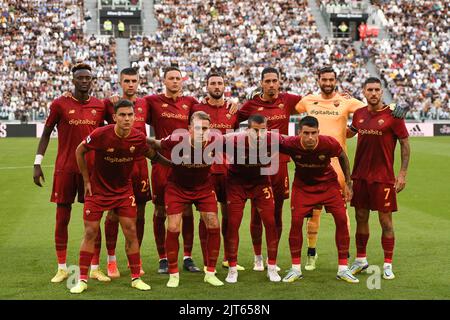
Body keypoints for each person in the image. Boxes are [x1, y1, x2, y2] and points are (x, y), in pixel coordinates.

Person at [295, 66, 408, 271]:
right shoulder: (307, 100)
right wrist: (256, 94)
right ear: (318, 80)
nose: (328, 83)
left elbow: (375, 106)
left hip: (340, 166)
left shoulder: (348, 101)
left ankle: (345, 256)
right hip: (314, 165)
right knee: (314, 213)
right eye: (324, 79)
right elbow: (284, 105)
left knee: (343, 211)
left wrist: (398, 106)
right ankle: (312, 253)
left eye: (331, 79)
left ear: (336, 80)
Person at [69, 99, 170, 294]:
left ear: (135, 117)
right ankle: (81, 279)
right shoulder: (100, 134)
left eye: (130, 115)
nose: (126, 118)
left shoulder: (138, 138)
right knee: (90, 232)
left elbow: (153, 156)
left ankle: (135, 278)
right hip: (97, 191)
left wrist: (173, 165)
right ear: (114, 117)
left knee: (131, 231)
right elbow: (79, 151)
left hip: (123, 191)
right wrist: (86, 180)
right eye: (122, 115)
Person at [33, 63, 109, 283]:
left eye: (88, 78)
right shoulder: (60, 104)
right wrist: (37, 162)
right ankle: (62, 267)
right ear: (73, 80)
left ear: (92, 80)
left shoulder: (100, 105)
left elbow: (112, 130)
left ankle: (95, 267)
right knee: (62, 218)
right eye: (80, 78)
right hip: (65, 168)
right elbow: (46, 133)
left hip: (92, 171)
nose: (84, 81)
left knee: (94, 220)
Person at [148, 111, 224, 288]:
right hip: (177, 188)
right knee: (173, 226)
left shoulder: (216, 141)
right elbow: (154, 144)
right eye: (197, 128)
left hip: (203, 188)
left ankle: (210, 272)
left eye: (205, 128)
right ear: (189, 128)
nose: (201, 132)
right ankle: (173, 274)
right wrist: (137, 139)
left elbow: (239, 140)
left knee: (213, 224)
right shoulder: (175, 141)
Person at [279, 116, 358, 284]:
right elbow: (269, 141)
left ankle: (343, 269)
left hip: (328, 185)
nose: (310, 138)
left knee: (342, 219)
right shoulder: (290, 144)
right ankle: (295, 268)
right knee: (296, 222)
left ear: (318, 132)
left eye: (313, 133)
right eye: (306, 133)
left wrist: (349, 183)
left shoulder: (328, 143)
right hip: (303, 187)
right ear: (299, 132)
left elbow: (343, 157)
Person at [238, 67, 302, 272]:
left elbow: (315, 102)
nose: (272, 84)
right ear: (261, 83)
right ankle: (257, 257)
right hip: (257, 166)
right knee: (257, 213)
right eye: (268, 81)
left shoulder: (288, 100)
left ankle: (271, 257)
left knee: (277, 213)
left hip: (280, 164)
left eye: (275, 80)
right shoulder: (251, 105)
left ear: (280, 82)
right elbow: (231, 120)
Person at [347, 77, 410, 280]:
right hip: (360, 176)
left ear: (381, 92)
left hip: (383, 178)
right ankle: (361, 260)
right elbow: (348, 133)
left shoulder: (394, 115)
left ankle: (388, 264)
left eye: (376, 90)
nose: (373, 93)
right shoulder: (358, 114)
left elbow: (405, 145)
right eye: (369, 90)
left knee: (386, 222)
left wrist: (402, 173)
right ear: (363, 92)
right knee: (360, 218)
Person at [144, 67, 200, 274]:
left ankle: (187, 256)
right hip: (161, 164)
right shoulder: (152, 101)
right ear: (164, 80)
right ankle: (163, 258)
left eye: (178, 78)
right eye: (171, 78)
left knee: (186, 210)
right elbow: (135, 112)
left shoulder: (191, 103)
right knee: (159, 210)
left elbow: (207, 117)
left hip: (184, 165)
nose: (175, 81)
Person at [190, 72, 244, 272]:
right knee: (206, 217)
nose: (216, 86)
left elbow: (236, 137)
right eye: (212, 83)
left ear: (224, 86)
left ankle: (230, 259)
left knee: (230, 216)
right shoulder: (197, 109)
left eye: (219, 83)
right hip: (206, 171)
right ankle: (207, 261)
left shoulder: (233, 110)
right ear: (206, 86)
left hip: (229, 171)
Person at [103, 67, 151, 278]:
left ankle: (135, 257)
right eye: (127, 81)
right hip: (117, 166)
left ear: (139, 82)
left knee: (139, 213)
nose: (130, 84)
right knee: (113, 212)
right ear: (120, 82)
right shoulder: (110, 104)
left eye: (134, 81)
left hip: (140, 165)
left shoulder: (146, 103)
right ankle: (111, 260)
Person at [225, 114, 281, 283]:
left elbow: (294, 144)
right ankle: (232, 269)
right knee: (233, 224)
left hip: (261, 182)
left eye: (263, 130)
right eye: (255, 130)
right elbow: (208, 143)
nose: (259, 134)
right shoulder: (232, 140)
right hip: (237, 183)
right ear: (247, 130)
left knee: (270, 223)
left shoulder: (274, 140)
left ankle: (271, 267)